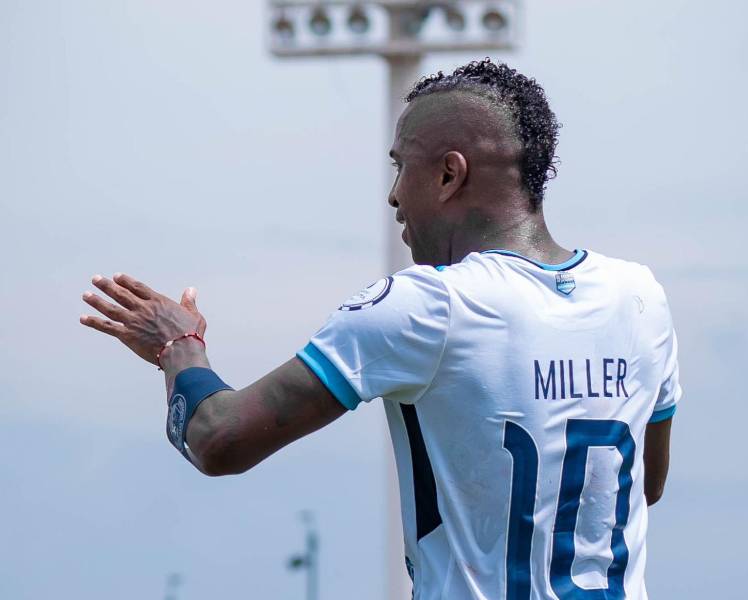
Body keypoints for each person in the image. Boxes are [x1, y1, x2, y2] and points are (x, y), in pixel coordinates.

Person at [80, 59, 681, 599]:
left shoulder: (428, 306)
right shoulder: (639, 297)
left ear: (449, 175)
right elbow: (643, 485)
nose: (393, 197)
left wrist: (178, 346)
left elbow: (218, 441)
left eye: (401, 167)